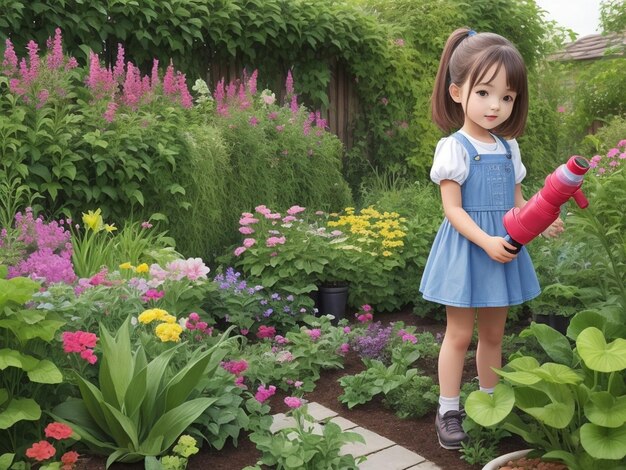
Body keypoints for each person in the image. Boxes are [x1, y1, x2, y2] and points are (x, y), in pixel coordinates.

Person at [419, 27, 563, 450]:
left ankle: (488, 402)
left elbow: (518, 207)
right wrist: (486, 240)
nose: (496, 105)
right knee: (459, 334)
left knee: (494, 336)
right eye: (484, 92)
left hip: (503, 249)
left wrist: (542, 220)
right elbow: (452, 209)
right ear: (457, 92)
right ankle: (448, 409)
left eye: (507, 97)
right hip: (469, 248)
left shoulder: (509, 148)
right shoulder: (454, 147)